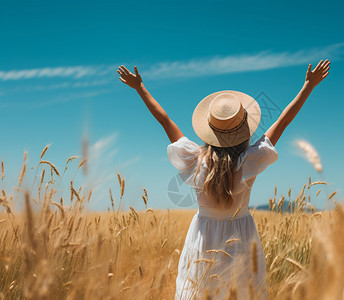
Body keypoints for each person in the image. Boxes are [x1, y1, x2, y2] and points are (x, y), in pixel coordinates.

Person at [117, 59, 330, 299]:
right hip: (241, 236)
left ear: (209, 131)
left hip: (202, 238)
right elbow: (283, 120)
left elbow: (165, 120)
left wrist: (140, 88)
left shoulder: (196, 160)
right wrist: (308, 86)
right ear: (244, 131)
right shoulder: (251, 159)